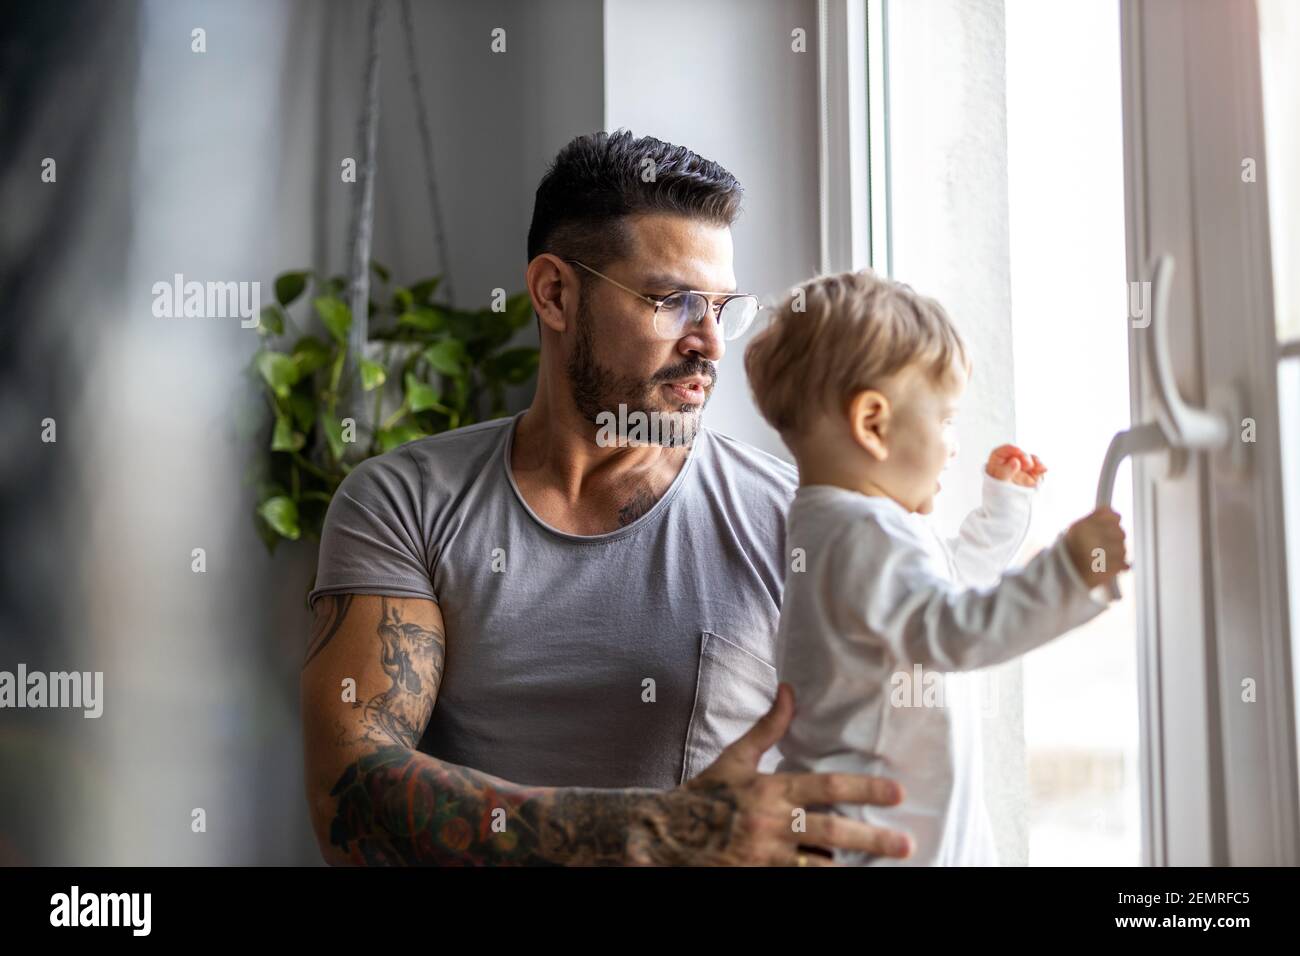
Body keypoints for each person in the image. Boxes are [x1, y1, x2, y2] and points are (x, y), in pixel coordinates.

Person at [299, 130, 914, 865]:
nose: (710, 344)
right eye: (673, 301)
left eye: (722, 308)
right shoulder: (402, 502)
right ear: (555, 293)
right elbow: (349, 796)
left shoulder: (798, 520)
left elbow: (873, 794)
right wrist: (658, 833)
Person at [744, 269, 1128, 865]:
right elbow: (953, 630)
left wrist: (1001, 514)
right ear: (873, 424)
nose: (953, 443)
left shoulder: (835, 524)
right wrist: (1070, 572)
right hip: (879, 838)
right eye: (945, 419)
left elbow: (938, 590)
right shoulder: (863, 533)